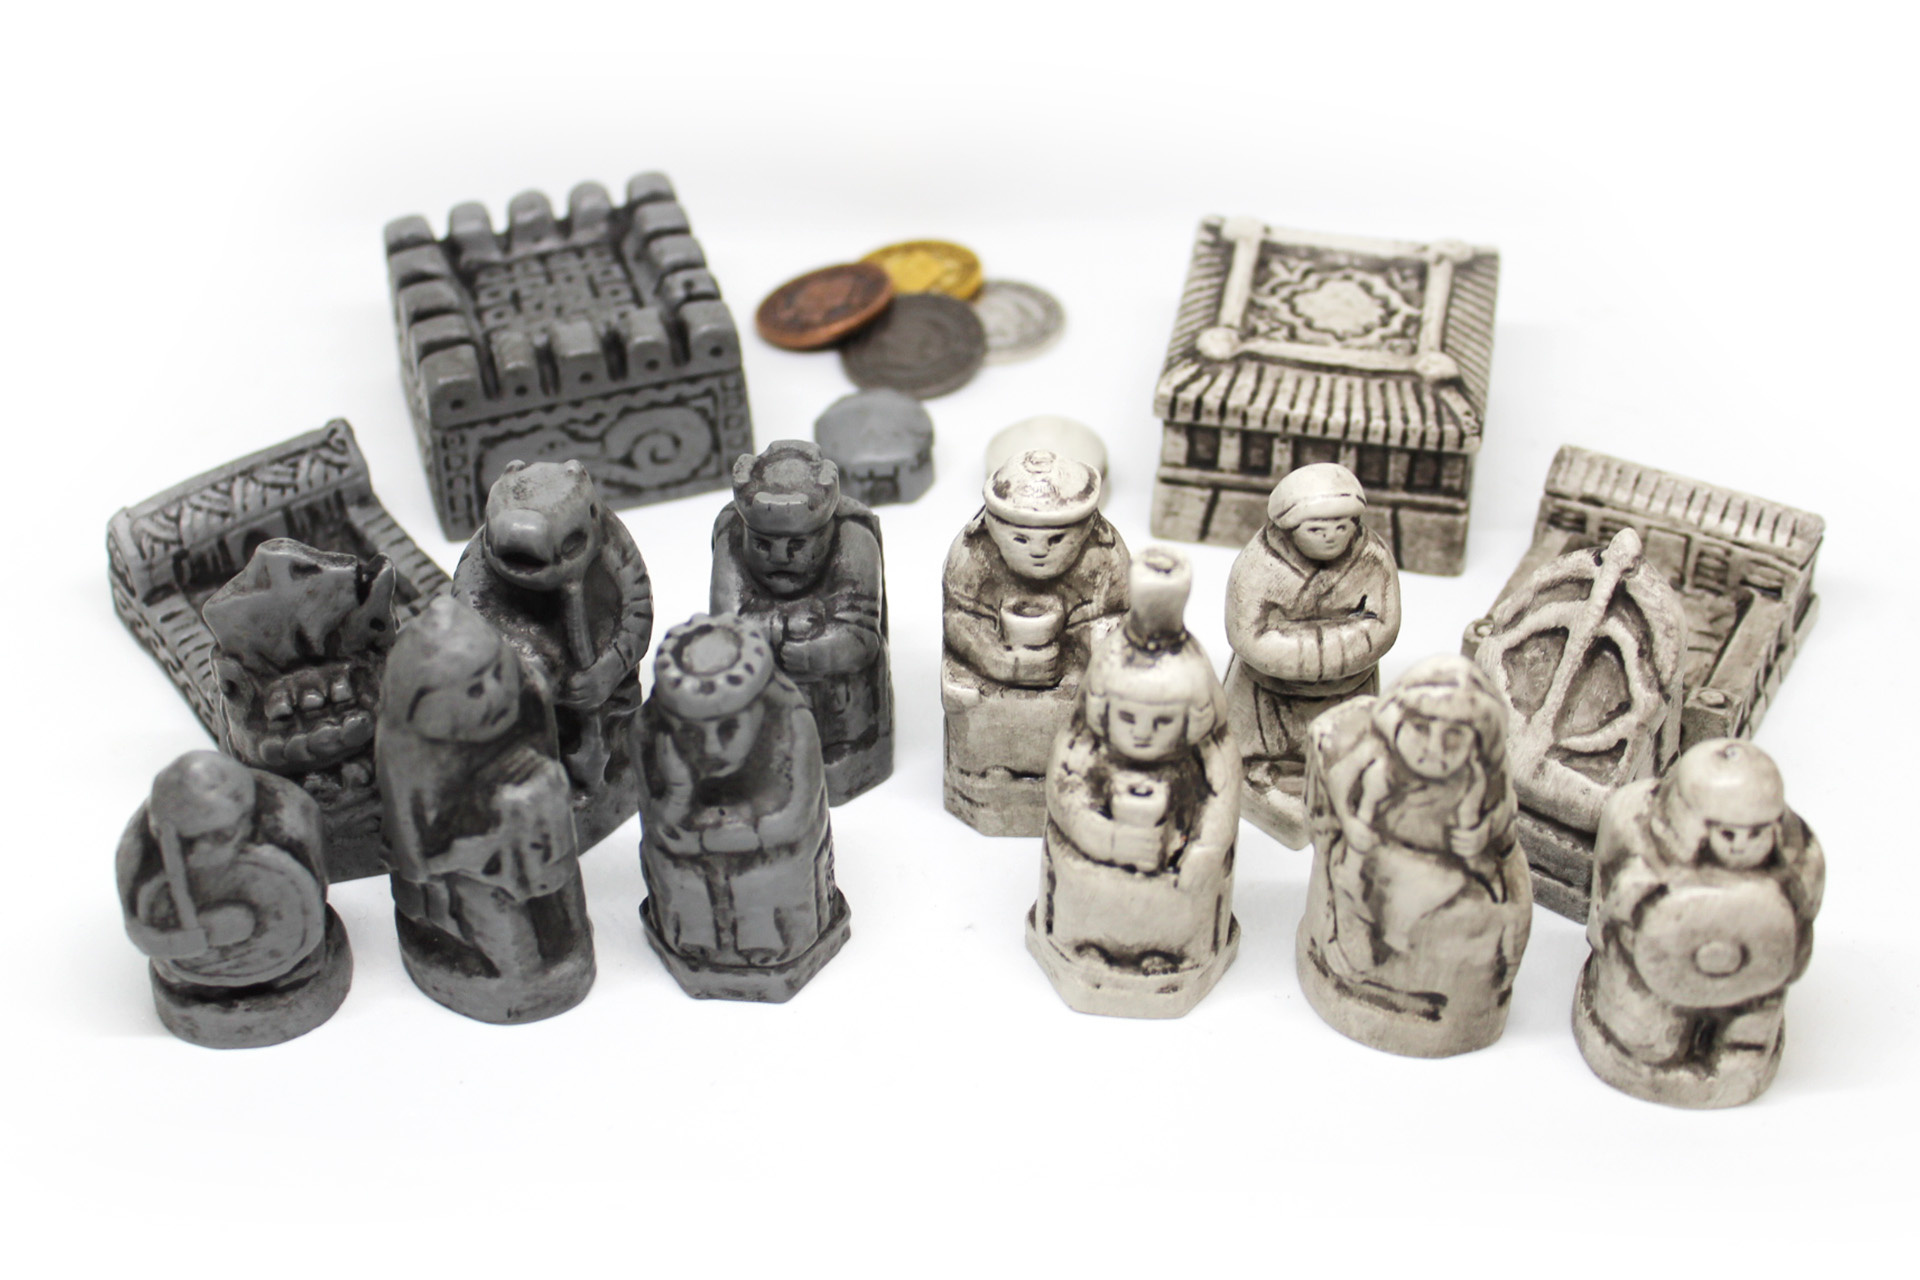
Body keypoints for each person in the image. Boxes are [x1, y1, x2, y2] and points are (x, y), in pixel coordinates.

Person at [1029, 548, 1240, 1018]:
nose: (1142, 734)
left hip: (1173, 864)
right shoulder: (1086, 741)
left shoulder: (1204, 748)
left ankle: (1167, 953)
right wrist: (1104, 837)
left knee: (1185, 891)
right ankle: (1089, 946)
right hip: (1096, 855)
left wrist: (1205, 850)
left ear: (1191, 720)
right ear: (1103, 710)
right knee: (1080, 873)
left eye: (1162, 722)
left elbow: (1223, 796)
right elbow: (1065, 792)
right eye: (1128, 718)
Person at [1297, 656, 1531, 1057]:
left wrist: (1479, 835)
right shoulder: (1379, 764)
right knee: (1360, 884)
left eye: (1454, 738)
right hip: (1378, 861)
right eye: (1421, 730)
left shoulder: (1477, 780)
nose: (1434, 751)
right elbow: (1341, 787)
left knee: (1487, 910)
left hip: (1446, 873)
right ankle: (1355, 956)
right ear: (1397, 724)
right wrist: (1353, 825)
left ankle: (1459, 996)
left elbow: (1501, 829)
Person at [377, 596, 594, 1024]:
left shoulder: (528, 696)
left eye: (497, 673)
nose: (495, 695)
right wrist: (490, 837)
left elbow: (550, 771)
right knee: (516, 957)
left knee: (563, 918)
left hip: (538, 850)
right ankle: (511, 975)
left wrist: (541, 806)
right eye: (473, 689)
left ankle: (562, 947)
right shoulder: (409, 753)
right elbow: (420, 859)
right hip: (469, 877)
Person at [1575, 739, 1824, 1108]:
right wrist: (1616, 925)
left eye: (1755, 833)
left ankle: (1733, 1056)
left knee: (1746, 1037)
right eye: (1728, 833)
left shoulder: (1801, 859)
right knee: (1646, 1037)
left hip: (1752, 983)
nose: (1741, 846)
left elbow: (1798, 935)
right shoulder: (1636, 835)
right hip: (1647, 974)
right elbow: (1605, 911)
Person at [637, 614, 850, 1002]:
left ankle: (769, 950)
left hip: (774, 853)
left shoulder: (792, 723)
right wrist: (681, 793)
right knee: (675, 869)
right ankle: (696, 949)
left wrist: (707, 835)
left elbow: (791, 823)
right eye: (691, 733)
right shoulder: (649, 729)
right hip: (704, 849)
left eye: (728, 729)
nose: (711, 748)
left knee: (765, 874)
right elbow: (660, 827)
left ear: (760, 708)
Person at [455, 459, 652, 849]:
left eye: (570, 548)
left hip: (602, 677)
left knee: (609, 732)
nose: (557, 569)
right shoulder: (478, 557)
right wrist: (522, 659)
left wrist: (609, 667)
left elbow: (638, 609)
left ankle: (606, 773)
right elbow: (468, 616)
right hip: (527, 682)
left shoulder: (613, 541)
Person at [942, 449, 1130, 836]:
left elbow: (1116, 619)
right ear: (990, 526)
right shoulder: (971, 552)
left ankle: (1078, 776)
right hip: (994, 669)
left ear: (1090, 528)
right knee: (969, 697)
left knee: (1100, 700)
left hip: (1072, 674)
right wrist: (998, 660)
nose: (1039, 550)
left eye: (1057, 538)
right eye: (1020, 538)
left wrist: (1093, 646)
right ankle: (990, 774)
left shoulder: (1106, 556)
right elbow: (959, 620)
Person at [116, 750, 350, 1047]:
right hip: (198, 968)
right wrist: (168, 941)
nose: (205, 851)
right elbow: (139, 930)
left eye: (220, 836)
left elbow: (305, 906)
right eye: (192, 841)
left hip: (280, 949)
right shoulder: (137, 853)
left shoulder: (289, 821)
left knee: (303, 965)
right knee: (181, 977)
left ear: (245, 818)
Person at [1224, 462, 1401, 847]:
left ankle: (1340, 775)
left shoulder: (1372, 557)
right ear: (1289, 527)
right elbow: (1246, 633)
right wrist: (1311, 651)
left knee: (1347, 742)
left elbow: (1383, 622)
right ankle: (1259, 773)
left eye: (1341, 527)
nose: (1331, 537)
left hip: (1349, 684)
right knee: (1262, 743)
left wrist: (1331, 650)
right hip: (1269, 688)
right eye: (1317, 530)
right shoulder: (1259, 563)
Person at [711, 441, 892, 805]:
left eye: (797, 545)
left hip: (834, 691)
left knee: (841, 685)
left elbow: (860, 640)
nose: (780, 557)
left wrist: (809, 653)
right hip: (763, 694)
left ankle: (844, 750)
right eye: (763, 544)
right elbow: (726, 632)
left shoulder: (854, 537)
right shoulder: (731, 532)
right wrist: (793, 625)